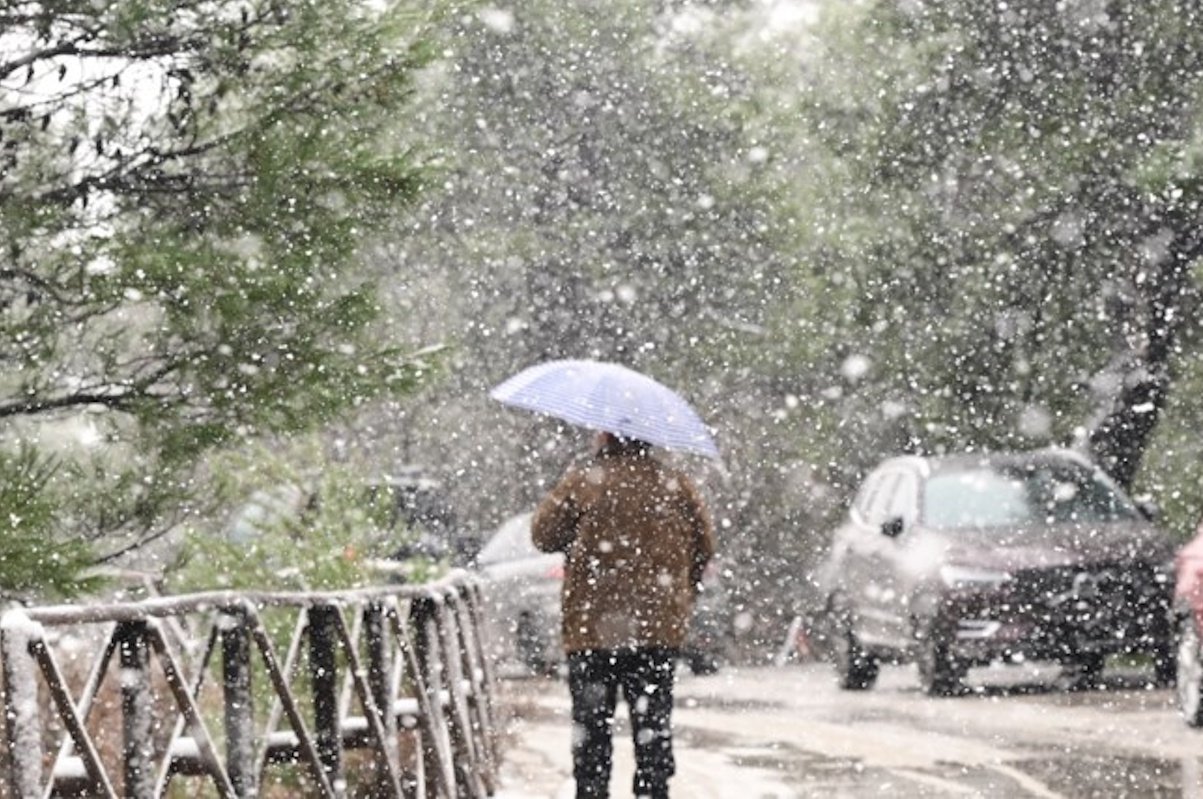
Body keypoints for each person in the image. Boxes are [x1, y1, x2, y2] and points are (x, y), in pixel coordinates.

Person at [532, 431, 715, 799]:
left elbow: (543, 535)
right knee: (652, 726)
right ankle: (653, 789)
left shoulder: (584, 481)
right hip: (656, 629)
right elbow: (704, 546)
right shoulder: (675, 485)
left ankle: (593, 791)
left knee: (592, 731)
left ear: (605, 436)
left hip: (592, 629)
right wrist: (679, 592)